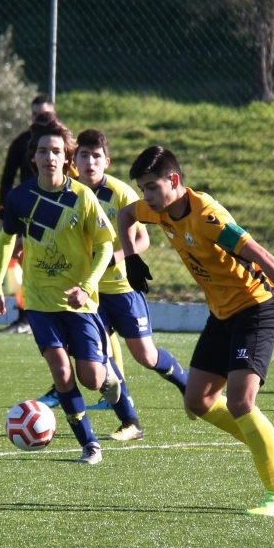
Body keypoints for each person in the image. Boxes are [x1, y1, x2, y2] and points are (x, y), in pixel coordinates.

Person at [117, 146, 274, 515]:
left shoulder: (209, 219)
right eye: (143, 189)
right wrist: (132, 257)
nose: (146, 197)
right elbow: (124, 214)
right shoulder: (158, 209)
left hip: (256, 309)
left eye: (152, 187)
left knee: (240, 401)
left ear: (175, 181)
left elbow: (261, 255)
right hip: (221, 315)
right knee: (197, 400)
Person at [42, 129, 194, 440]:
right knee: (95, 355)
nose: (90, 162)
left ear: (106, 161)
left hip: (123, 288)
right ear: (75, 160)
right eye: (83, 156)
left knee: (145, 356)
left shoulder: (121, 193)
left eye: (96, 156)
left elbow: (142, 239)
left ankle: (187, 384)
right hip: (90, 293)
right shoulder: (67, 194)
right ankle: (130, 422)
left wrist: (116, 256)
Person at [0, 113, 123, 465]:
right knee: (61, 373)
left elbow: (106, 245)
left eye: (57, 151)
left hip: (78, 299)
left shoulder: (81, 196)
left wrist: (88, 285)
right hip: (38, 298)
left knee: (92, 378)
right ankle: (89, 443)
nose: (50, 157)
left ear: (67, 158)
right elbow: (6, 241)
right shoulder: (19, 197)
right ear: (33, 157)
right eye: (43, 151)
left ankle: (107, 371)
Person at [0, 95, 55, 333]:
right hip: (25, 213)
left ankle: (52, 315)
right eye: (35, 115)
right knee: (18, 264)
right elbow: (6, 180)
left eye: (44, 115)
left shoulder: (62, 143)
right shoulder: (21, 142)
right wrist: (4, 215)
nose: (39, 120)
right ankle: (23, 317)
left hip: (55, 214)